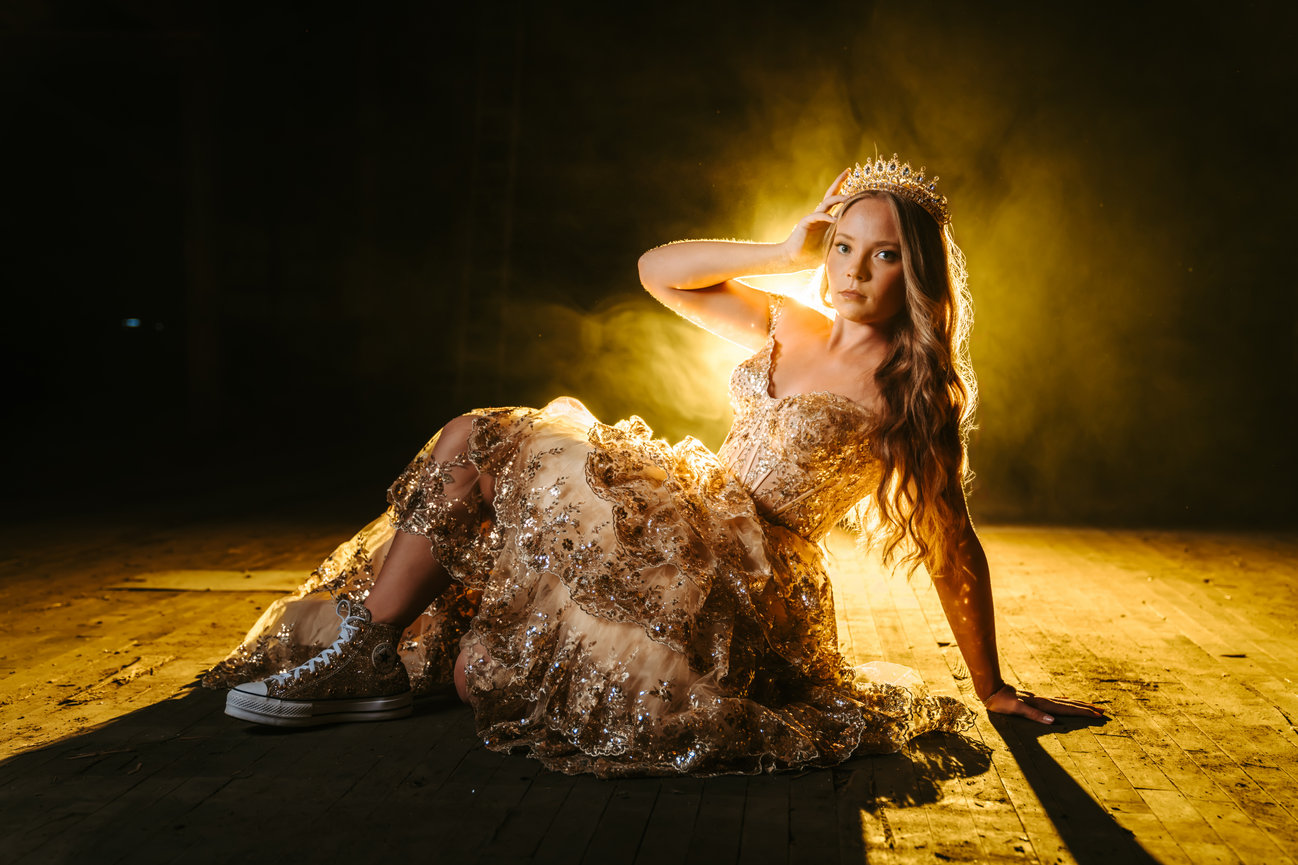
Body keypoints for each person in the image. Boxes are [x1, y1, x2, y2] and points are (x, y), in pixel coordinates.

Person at [204, 155, 1104, 776]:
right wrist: (778, 254)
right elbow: (657, 270)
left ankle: (383, 659)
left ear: (916, 274)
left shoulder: (911, 392)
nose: (853, 271)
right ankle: (366, 648)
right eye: (842, 246)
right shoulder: (789, 320)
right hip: (681, 514)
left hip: (742, 576)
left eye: (883, 255)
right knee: (477, 440)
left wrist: (990, 684)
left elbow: (954, 543)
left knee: (490, 671)